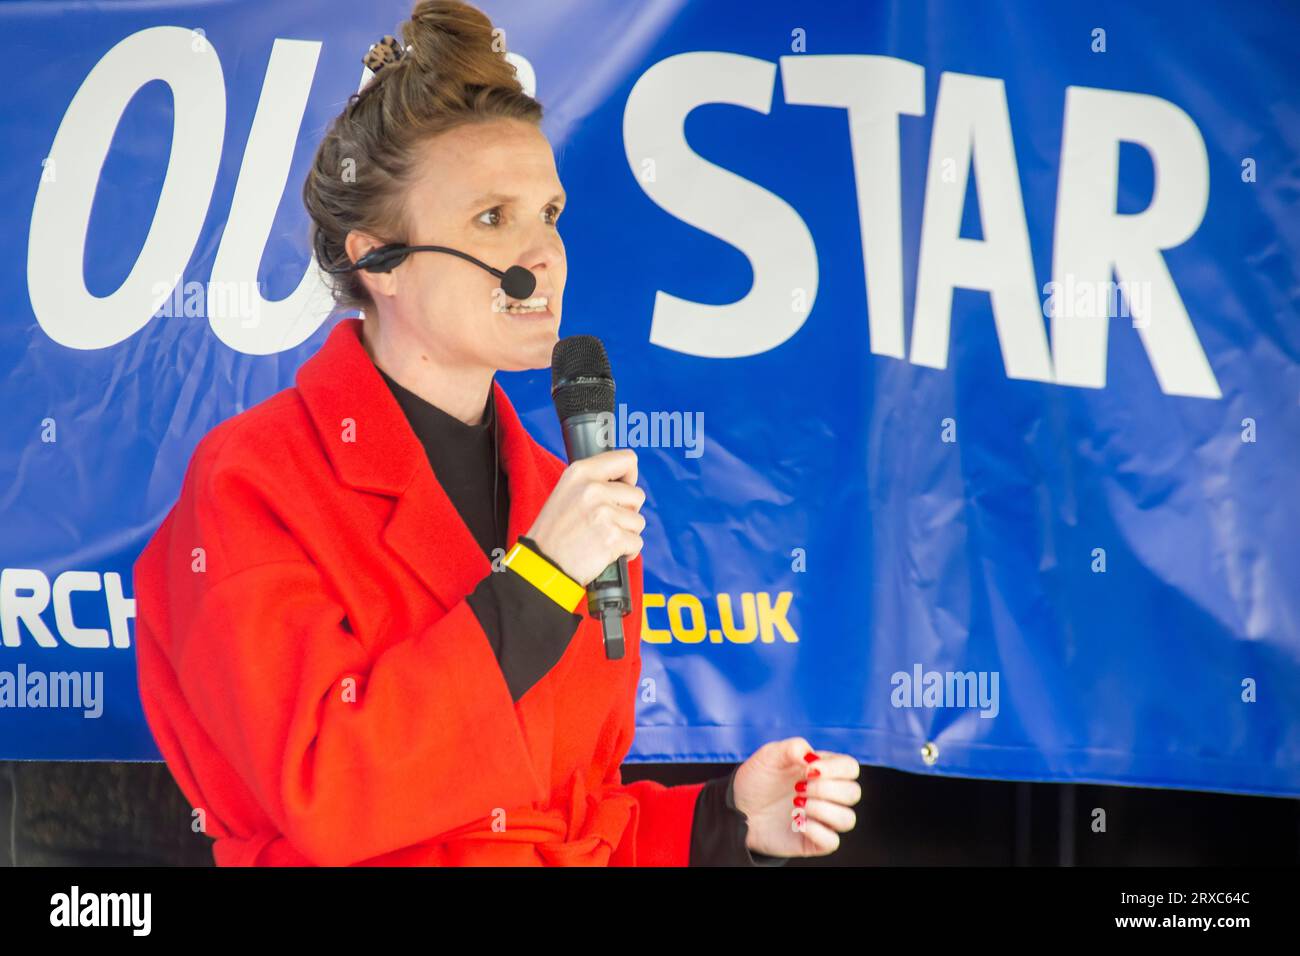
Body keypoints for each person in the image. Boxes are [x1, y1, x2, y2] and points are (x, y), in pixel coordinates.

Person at [132, 0, 860, 867]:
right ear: (379, 261)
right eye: (492, 218)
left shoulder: (567, 499)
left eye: (548, 212)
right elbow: (328, 792)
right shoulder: (255, 481)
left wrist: (718, 823)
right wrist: (538, 581)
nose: (542, 251)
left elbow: (568, 815)